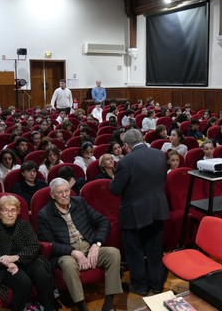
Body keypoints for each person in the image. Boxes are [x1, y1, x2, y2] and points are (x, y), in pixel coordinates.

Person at [37, 178, 122, 311]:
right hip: (66, 252)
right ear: (52, 195)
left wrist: (96, 244)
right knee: (69, 264)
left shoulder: (80, 202)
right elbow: (49, 244)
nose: (65, 195)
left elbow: (103, 222)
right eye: (60, 192)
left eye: (67, 191)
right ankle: (82, 306)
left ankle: (109, 303)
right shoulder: (44, 214)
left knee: (113, 253)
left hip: (88, 245)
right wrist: (73, 252)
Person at [110, 129, 169, 296]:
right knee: (154, 249)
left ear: (127, 145)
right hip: (157, 209)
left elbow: (115, 189)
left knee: (134, 251)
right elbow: (162, 180)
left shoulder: (126, 162)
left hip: (134, 214)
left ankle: (140, 286)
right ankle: (157, 284)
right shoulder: (159, 155)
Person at [0, 195, 58, 311]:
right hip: (4, 267)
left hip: (26, 260)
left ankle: (50, 308)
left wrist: (16, 258)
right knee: (23, 282)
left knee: (42, 274)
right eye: (5, 210)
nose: (10, 214)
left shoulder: (24, 225)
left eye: (13, 210)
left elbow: (34, 246)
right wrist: (5, 261)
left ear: (18, 212)